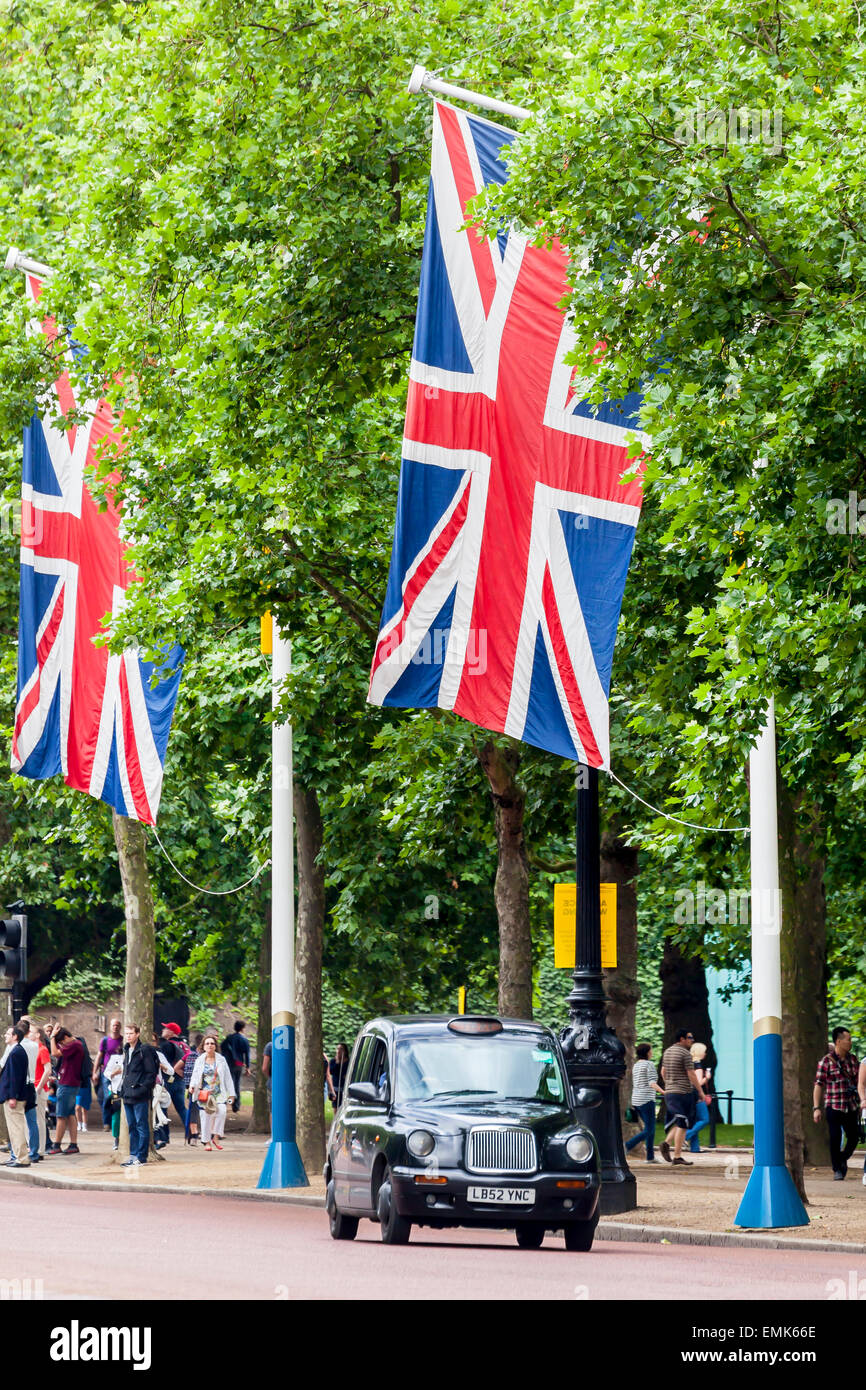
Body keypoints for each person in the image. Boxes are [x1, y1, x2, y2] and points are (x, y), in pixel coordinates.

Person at [814, 1026, 861, 1180]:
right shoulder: (826, 1061)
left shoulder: (853, 1060)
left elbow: (859, 1082)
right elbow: (818, 1085)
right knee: (835, 1137)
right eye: (848, 1039)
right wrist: (816, 1108)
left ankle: (842, 1158)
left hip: (851, 1105)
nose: (850, 1042)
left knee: (854, 1137)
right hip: (834, 1105)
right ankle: (837, 1170)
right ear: (839, 1041)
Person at [659, 1028, 705, 1165]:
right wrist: (700, 1091)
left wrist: (669, 1083)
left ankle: (667, 1143)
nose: (692, 1040)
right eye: (690, 1038)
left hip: (670, 1092)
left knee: (679, 1121)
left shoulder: (667, 1052)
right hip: (683, 1092)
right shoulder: (685, 1053)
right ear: (682, 1039)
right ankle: (677, 1156)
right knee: (683, 1123)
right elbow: (691, 1074)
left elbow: (663, 1071)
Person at [119, 1023, 158, 1167]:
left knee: (141, 1125)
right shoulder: (127, 1049)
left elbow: (151, 1073)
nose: (128, 1036)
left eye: (131, 1033)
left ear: (137, 1034)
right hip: (127, 1093)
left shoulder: (144, 1049)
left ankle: (141, 1157)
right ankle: (133, 1155)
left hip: (139, 1094)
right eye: (126, 1033)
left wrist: (142, 1088)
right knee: (132, 1126)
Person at [189, 1035, 236, 1151]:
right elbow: (195, 1075)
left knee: (222, 1111)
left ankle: (216, 1136)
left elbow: (228, 1077)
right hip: (204, 1093)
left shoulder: (221, 1059)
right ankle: (206, 1141)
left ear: (215, 1046)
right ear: (203, 1046)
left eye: (212, 1043)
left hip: (219, 1092)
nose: (210, 1045)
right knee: (206, 1116)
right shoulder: (200, 1060)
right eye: (207, 1043)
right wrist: (191, 1086)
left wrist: (231, 1093)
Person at [47, 1026, 85, 1155]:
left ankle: (56, 1144)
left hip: (67, 1083)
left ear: (65, 1038)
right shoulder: (77, 1044)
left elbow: (55, 1053)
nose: (61, 1045)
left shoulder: (74, 1045)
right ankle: (73, 1144)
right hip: (71, 1083)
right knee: (70, 1114)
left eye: (61, 1043)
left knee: (61, 1116)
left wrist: (52, 1037)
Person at [625, 1042, 665, 1162]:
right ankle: (627, 1145)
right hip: (646, 1100)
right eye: (651, 1050)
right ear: (647, 1052)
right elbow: (652, 1083)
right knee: (649, 1129)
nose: (652, 1052)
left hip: (636, 1100)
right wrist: (664, 1092)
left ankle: (650, 1157)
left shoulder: (636, 1065)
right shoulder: (649, 1064)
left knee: (649, 1128)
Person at [0, 1025, 32, 1167]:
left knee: (17, 1128)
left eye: (8, 1034)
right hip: (13, 1095)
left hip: (14, 1096)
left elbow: (15, 1077)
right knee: (14, 1128)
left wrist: (13, 1096)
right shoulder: (15, 1051)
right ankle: (17, 1156)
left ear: (15, 1036)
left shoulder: (16, 1053)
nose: (5, 1035)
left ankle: (22, 1158)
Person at [93, 1018, 124, 1132]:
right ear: (110, 1027)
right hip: (106, 1073)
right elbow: (99, 1056)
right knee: (107, 1097)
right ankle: (106, 1122)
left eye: (117, 1025)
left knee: (118, 1098)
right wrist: (94, 1072)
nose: (115, 1027)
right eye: (113, 1025)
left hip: (120, 1074)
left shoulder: (123, 1040)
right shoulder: (105, 1040)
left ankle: (116, 1121)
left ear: (120, 1027)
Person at [157, 1023, 188, 1134]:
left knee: (162, 1106)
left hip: (168, 1080)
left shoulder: (166, 1045)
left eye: (166, 1028)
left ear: (172, 1032)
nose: (163, 1030)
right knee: (181, 1108)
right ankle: (191, 1131)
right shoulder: (184, 1045)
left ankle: (163, 1135)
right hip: (180, 1081)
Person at [28, 1024, 51, 1162]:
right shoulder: (33, 1049)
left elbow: (47, 1070)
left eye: (31, 1032)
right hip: (34, 1086)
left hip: (39, 1088)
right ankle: (36, 1148)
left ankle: (40, 1149)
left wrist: (39, 1087)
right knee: (34, 1120)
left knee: (39, 1119)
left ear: (37, 1035)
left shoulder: (42, 1049)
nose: (28, 1034)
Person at [685, 1042, 713, 1153]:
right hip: (697, 1096)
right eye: (704, 1051)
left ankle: (695, 1147)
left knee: (695, 1120)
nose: (705, 1053)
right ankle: (685, 1136)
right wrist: (707, 1078)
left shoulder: (689, 1063)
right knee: (705, 1119)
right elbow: (698, 1082)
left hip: (688, 1095)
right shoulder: (698, 1065)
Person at [221, 1021, 251, 1114]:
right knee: (236, 1085)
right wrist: (247, 1067)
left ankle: (225, 1103)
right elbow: (247, 1054)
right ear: (242, 1028)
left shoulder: (229, 1038)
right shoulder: (244, 1040)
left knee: (227, 1085)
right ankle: (235, 1106)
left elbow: (222, 1047)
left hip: (229, 1064)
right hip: (238, 1064)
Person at [183, 1033, 203, 1143]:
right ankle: (196, 1133)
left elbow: (177, 1068)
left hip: (191, 1086)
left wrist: (187, 1080)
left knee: (193, 1110)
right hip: (201, 1087)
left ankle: (192, 1133)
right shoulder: (203, 1057)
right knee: (200, 1110)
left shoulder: (189, 1055)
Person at [328, 1043, 350, 1112]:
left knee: (344, 1109)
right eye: (338, 1049)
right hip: (335, 1089)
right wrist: (337, 1063)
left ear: (345, 1051)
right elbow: (331, 1071)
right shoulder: (333, 1061)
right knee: (336, 1109)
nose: (339, 1051)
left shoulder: (349, 1062)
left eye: (341, 1049)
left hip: (345, 1089)